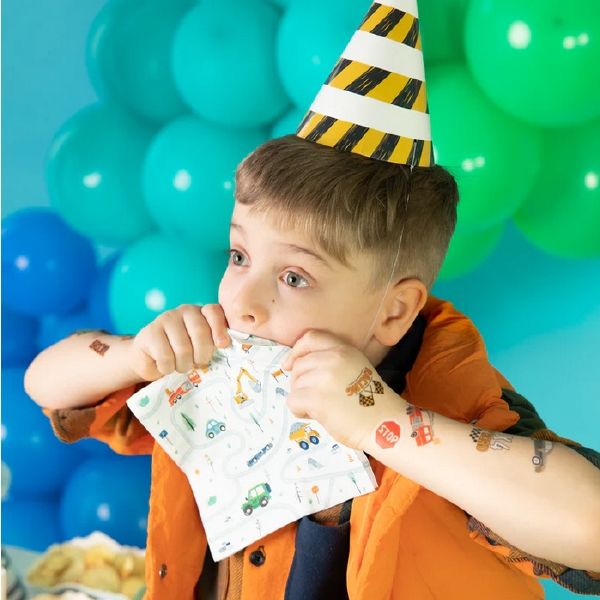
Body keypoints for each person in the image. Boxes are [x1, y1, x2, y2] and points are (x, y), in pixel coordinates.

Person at [25, 1, 600, 598]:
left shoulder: (458, 396)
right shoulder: (216, 367)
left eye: (295, 278)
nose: (243, 302)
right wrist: (133, 357)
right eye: (239, 256)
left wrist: (385, 424)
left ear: (393, 311)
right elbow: (45, 384)